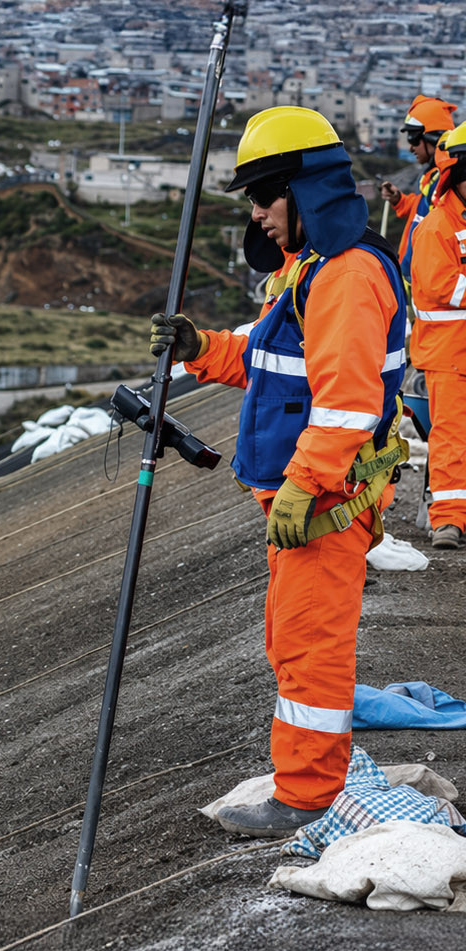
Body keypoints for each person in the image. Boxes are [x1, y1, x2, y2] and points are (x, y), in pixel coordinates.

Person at [149, 107, 408, 837]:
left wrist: (305, 484)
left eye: (265, 197)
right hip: (306, 503)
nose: (258, 214)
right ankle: (307, 779)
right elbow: (270, 366)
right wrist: (201, 346)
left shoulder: (349, 277)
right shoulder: (313, 269)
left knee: (310, 647)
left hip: (323, 505)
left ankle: (307, 795)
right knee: (291, 642)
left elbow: (349, 403)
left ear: (306, 191)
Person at [407, 123, 466, 549]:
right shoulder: (436, 228)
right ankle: (448, 519)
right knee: (450, 435)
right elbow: (445, 287)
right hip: (448, 356)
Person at [378, 95, 457, 296]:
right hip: (415, 283)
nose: (411, 147)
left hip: (425, 287)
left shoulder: (444, 183)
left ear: (432, 137)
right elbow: (421, 214)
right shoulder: (432, 177)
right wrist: (400, 201)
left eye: (414, 138)